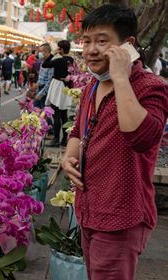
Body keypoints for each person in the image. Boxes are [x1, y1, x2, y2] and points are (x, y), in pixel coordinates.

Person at [62, 5, 168, 280]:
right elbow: (78, 130)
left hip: (121, 216)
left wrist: (122, 77)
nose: (90, 50)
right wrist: (68, 157)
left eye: (102, 40)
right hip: (88, 208)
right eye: (86, 41)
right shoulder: (92, 86)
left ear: (127, 45)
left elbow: (142, 138)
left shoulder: (150, 87)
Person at [43, 40, 74, 147]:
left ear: (61, 49)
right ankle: (64, 139)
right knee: (64, 114)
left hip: (57, 86)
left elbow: (45, 64)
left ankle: (56, 139)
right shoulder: (71, 60)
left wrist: (52, 54)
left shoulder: (60, 60)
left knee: (56, 114)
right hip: (66, 87)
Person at [35, 43, 54, 109]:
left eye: (40, 51)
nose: (38, 53)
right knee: (36, 110)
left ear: (46, 51)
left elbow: (50, 81)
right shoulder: (43, 61)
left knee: (45, 113)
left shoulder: (51, 63)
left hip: (45, 90)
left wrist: (42, 93)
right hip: (40, 88)